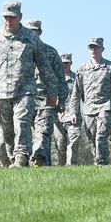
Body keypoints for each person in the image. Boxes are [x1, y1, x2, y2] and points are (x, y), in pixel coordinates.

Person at [0, 1, 58, 168]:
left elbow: (44, 67)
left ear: (20, 17)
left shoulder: (31, 38)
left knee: (22, 123)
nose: (8, 21)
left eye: (12, 17)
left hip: (25, 91)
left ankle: (21, 157)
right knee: (8, 131)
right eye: (5, 17)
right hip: (2, 93)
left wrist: (52, 92)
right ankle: (14, 160)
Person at [69, 38, 111, 165]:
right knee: (92, 138)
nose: (93, 50)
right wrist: (74, 112)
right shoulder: (82, 69)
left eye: (96, 47)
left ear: (102, 49)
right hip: (88, 109)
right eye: (91, 47)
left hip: (104, 107)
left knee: (101, 136)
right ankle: (98, 161)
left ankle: (102, 163)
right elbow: (76, 93)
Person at [25, 19, 68, 166]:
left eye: (34, 31)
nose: (32, 34)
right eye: (29, 30)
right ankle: (30, 168)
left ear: (40, 32)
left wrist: (61, 100)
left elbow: (61, 79)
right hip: (26, 101)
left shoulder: (50, 52)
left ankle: (42, 165)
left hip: (46, 101)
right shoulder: (21, 52)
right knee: (27, 137)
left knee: (42, 135)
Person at [53, 53, 82, 165]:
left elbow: (85, 96)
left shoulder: (76, 78)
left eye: (67, 63)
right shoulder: (54, 79)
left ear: (71, 63)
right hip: (58, 118)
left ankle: (72, 167)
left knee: (73, 144)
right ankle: (61, 169)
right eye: (62, 63)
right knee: (60, 146)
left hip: (73, 117)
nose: (64, 65)